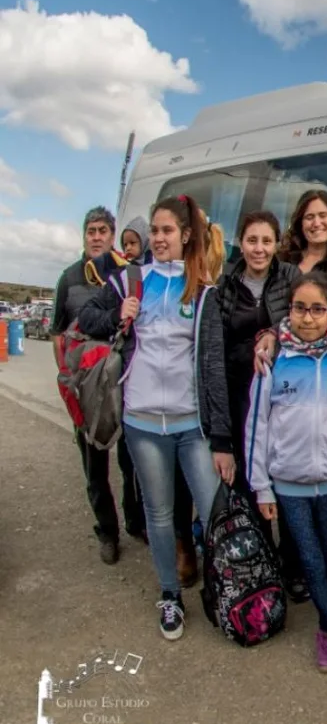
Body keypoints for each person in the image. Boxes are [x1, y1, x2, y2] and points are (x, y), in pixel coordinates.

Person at [78, 194, 236, 641]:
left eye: (168, 231)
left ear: (186, 236)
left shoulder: (204, 290)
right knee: (160, 515)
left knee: (213, 511)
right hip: (142, 423)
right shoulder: (132, 279)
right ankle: (170, 594)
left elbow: (214, 367)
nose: (158, 238)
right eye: (155, 230)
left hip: (192, 425)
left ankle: (226, 589)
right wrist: (117, 314)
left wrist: (221, 438)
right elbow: (86, 315)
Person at [245, 270, 327, 681]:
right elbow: (257, 426)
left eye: (317, 309)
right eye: (299, 308)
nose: (307, 318)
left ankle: (324, 632)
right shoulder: (273, 361)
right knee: (310, 561)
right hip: (289, 484)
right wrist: (262, 487)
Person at [217, 211, 306, 600]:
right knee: (250, 478)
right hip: (240, 393)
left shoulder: (289, 278)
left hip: (283, 391)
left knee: (284, 474)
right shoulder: (225, 285)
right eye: (252, 240)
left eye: (266, 241)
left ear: (276, 243)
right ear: (241, 242)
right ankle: (262, 562)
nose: (259, 248)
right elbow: (214, 346)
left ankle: (293, 565)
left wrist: (274, 334)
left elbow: (305, 320)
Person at [52, 206, 142, 563]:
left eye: (103, 230)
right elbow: (58, 336)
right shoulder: (69, 278)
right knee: (94, 467)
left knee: (131, 462)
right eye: (91, 230)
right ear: (84, 235)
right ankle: (107, 531)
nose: (96, 236)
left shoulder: (125, 274)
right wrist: (66, 386)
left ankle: (136, 522)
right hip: (84, 387)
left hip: (122, 382)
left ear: (112, 234)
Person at [279, 190, 327, 275]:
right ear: (300, 223)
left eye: (323, 215)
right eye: (309, 217)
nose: (317, 223)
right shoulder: (284, 259)